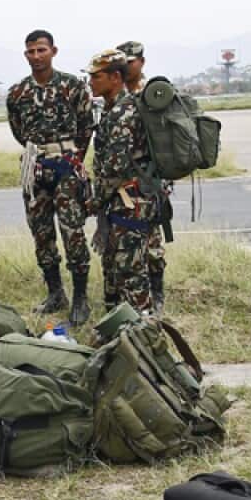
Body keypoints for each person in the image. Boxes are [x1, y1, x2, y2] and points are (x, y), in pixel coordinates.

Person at [6, 29, 97, 324]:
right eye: (31, 51)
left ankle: (81, 298)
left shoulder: (73, 87)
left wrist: (74, 160)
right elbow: (18, 130)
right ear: (25, 55)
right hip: (34, 168)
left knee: (72, 232)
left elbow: (86, 127)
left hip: (67, 166)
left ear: (53, 51)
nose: (36, 56)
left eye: (41, 50)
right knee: (41, 233)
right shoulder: (18, 93)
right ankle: (56, 292)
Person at [88, 49, 155, 314]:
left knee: (131, 274)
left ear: (115, 77)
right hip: (118, 204)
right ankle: (118, 333)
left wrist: (95, 200)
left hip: (130, 204)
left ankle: (143, 333)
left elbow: (115, 168)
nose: (91, 82)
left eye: (96, 76)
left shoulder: (124, 113)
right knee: (114, 273)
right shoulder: (112, 109)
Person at [118, 40, 168, 311]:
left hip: (149, 179)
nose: (127, 66)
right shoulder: (117, 97)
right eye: (122, 62)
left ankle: (157, 293)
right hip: (123, 181)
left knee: (152, 240)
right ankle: (134, 292)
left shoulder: (152, 95)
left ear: (142, 62)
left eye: (131, 61)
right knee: (128, 240)